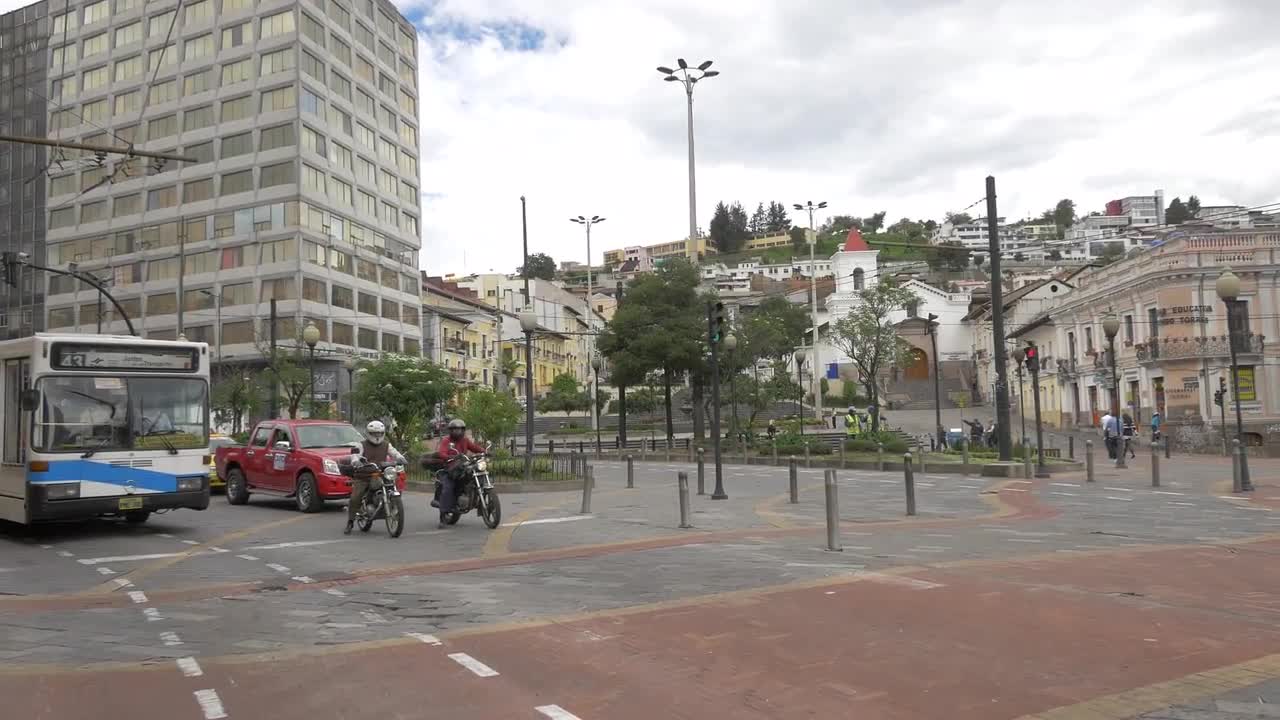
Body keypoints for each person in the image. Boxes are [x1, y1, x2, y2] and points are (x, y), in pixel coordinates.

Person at [345, 420, 406, 534]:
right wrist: (356, 461)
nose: (377, 435)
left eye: (379, 433)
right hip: (363, 475)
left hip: (380, 474)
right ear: (369, 433)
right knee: (355, 497)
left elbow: (395, 453)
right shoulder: (360, 444)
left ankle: (390, 505)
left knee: (392, 484)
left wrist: (400, 458)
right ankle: (350, 521)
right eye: (374, 433)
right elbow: (354, 455)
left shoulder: (386, 445)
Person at [432, 418, 486, 528]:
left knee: (476, 477)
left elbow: (474, 448)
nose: (458, 432)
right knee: (447, 488)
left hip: (463, 467)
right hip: (450, 469)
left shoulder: (465, 440)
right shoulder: (446, 441)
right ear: (451, 430)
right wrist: (448, 457)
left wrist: (485, 452)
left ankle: (479, 502)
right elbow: (441, 452)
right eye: (455, 430)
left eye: (460, 429)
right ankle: (443, 517)